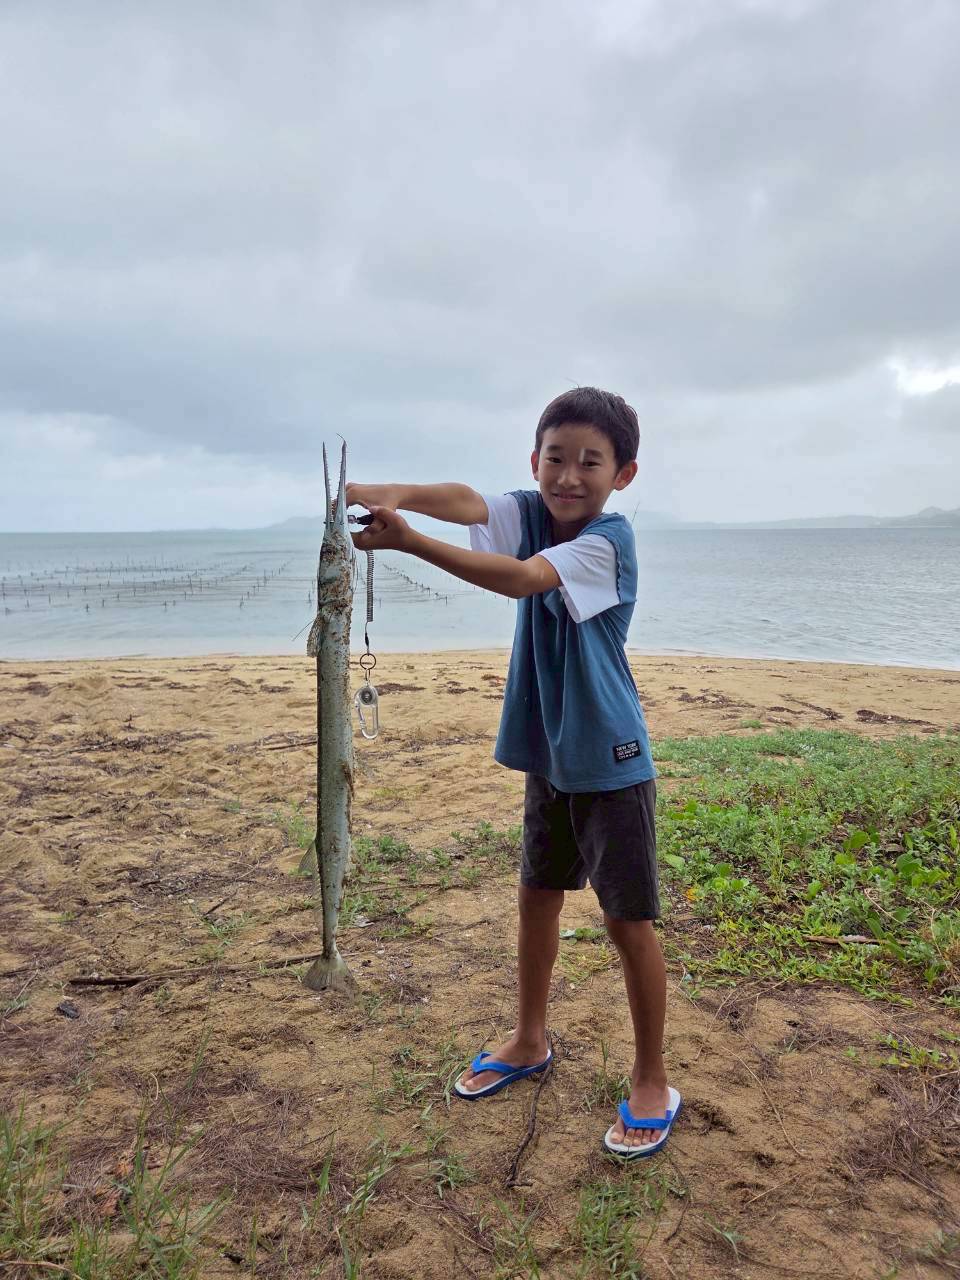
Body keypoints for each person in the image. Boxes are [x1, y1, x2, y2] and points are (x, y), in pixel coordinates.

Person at [346, 386, 680, 1158]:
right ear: (536, 461)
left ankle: (652, 1078)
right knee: (536, 899)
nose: (569, 476)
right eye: (556, 458)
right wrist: (398, 494)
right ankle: (530, 1039)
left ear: (622, 474)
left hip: (611, 761)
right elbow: (467, 501)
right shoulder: (531, 507)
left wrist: (410, 543)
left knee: (628, 923)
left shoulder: (607, 541)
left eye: (590, 463)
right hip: (551, 755)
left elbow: (525, 579)